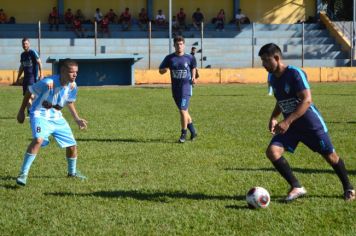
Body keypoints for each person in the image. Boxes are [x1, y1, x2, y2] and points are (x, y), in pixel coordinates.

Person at [258, 43, 355, 202]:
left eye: (266, 60)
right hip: (291, 126)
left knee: (331, 157)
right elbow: (281, 101)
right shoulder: (272, 78)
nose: (264, 65)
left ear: (276, 58)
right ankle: (296, 186)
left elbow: (307, 100)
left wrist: (287, 121)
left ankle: (349, 188)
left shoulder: (295, 73)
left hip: (310, 124)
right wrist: (274, 117)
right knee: (272, 152)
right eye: (262, 61)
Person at [16, 59, 88, 186]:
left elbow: (69, 102)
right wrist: (21, 111)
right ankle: (23, 174)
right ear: (63, 71)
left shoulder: (73, 86)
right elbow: (29, 92)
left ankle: (72, 173)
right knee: (38, 140)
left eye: (76, 72)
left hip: (56, 117)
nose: (75, 75)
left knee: (72, 145)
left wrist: (77, 119)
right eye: (72, 72)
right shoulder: (47, 82)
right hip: (39, 115)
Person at [159, 36, 198, 143]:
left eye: (181, 44)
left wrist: (194, 77)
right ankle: (193, 132)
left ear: (184, 45)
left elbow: (193, 67)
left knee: (182, 110)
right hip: (175, 89)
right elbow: (160, 70)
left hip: (186, 88)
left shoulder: (189, 57)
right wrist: (164, 70)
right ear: (174, 45)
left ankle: (183, 134)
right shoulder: (169, 58)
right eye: (177, 44)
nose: (179, 46)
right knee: (185, 112)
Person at [16, 38, 43, 113]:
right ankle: (30, 112)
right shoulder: (22, 55)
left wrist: (41, 74)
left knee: (31, 95)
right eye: (23, 44)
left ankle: (39, 105)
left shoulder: (33, 52)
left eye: (26, 43)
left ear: (29, 44)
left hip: (33, 77)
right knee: (26, 96)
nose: (25, 45)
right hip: (26, 78)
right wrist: (18, 78)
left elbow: (39, 62)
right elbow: (22, 67)